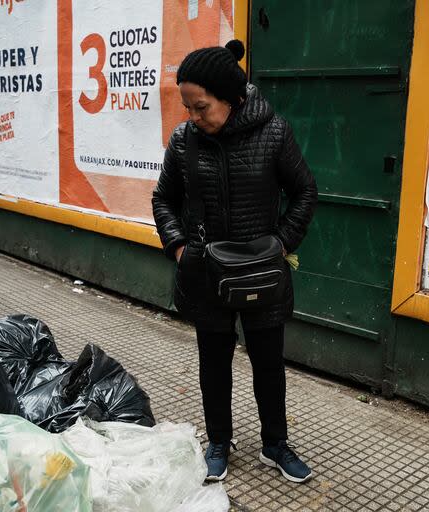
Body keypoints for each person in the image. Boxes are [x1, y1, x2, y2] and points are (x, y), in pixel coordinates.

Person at [152, 40, 318, 483]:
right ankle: (219, 442)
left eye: (201, 106)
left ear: (233, 98)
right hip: (205, 272)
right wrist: (180, 246)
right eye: (188, 107)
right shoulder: (184, 141)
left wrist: (282, 242)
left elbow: (305, 191)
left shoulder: (274, 133)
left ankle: (275, 445)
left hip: (260, 271)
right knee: (213, 362)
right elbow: (163, 200)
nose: (193, 117)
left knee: (268, 361)